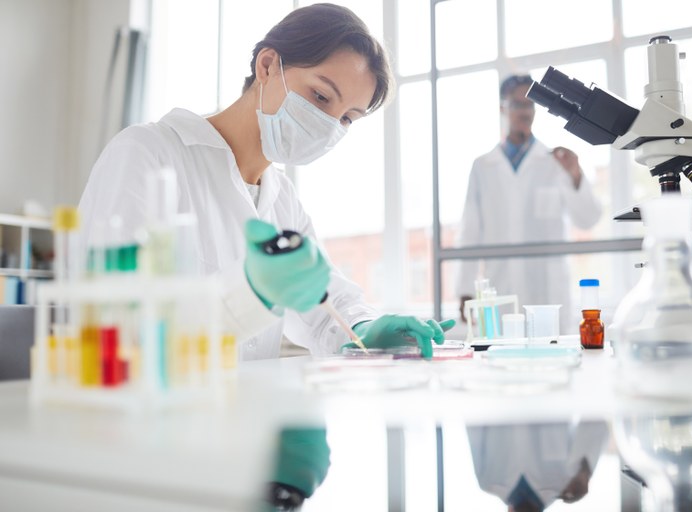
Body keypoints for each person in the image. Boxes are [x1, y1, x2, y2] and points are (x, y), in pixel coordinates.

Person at [78, 3, 453, 359]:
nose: (328, 125)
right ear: (268, 65)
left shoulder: (282, 198)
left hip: (248, 417)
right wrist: (249, 291)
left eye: (346, 118)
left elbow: (323, 306)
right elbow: (112, 318)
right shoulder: (148, 152)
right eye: (321, 96)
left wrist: (363, 327)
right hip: (153, 415)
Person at [456, 74, 602, 332]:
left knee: (552, 363)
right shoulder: (482, 167)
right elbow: (470, 231)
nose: (525, 111)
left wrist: (575, 174)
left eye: (530, 105)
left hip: (547, 289)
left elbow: (587, 219)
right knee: (503, 360)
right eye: (517, 104)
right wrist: (465, 290)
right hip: (500, 288)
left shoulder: (556, 163)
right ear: (503, 107)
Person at [467, 421, 609, 512]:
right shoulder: (568, 481)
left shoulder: (488, 481)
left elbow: (473, 423)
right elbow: (596, 422)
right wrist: (584, 473)